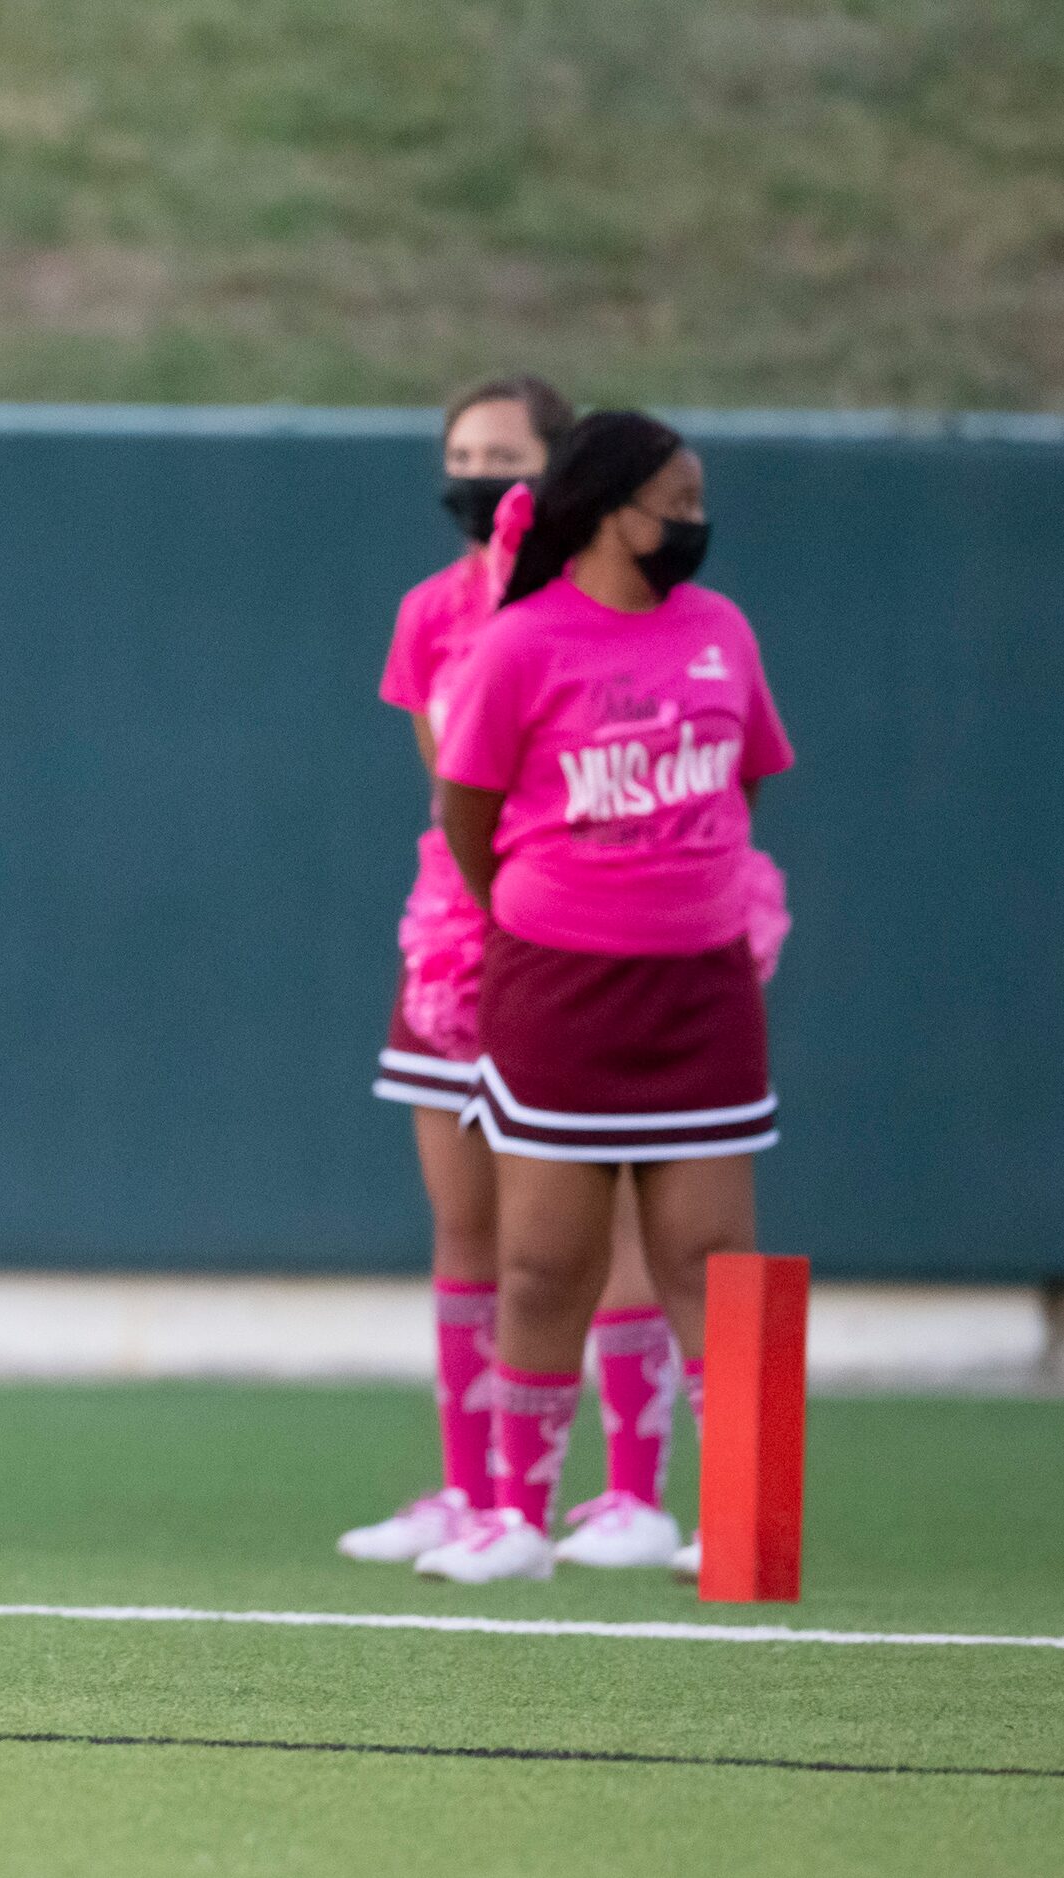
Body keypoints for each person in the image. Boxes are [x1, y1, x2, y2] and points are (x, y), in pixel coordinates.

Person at [410, 411, 793, 1585]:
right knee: (541, 1263)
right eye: (673, 501)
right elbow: (465, 814)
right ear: (610, 508)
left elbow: (750, 781)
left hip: (702, 994)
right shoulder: (521, 644)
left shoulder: (723, 630)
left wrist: (684, 890)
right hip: (559, 990)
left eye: (697, 501)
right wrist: (550, 906)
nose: (692, 522)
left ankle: (747, 1523)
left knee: (715, 1255)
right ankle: (513, 1522)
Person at [342, 377, 687, 1571]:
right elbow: (459, 789)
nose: (483, 474)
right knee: (472, 1219)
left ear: (562, 474)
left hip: (596, 938)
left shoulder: (612, 610)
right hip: (459, 927)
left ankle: (635, 1490)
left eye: (508, 454)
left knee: (614, 1214)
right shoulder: (432, 609)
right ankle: (473, 1488)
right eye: (464, 452)